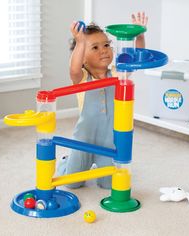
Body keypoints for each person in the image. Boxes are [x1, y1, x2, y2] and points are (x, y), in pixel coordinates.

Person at [57, 12, 148, 189]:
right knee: (73, 183)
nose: (104, 50)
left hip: (109, 140)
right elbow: (73, 68)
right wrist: (80, 42)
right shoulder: (82, 77)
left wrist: (139, 35)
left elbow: (137, 59)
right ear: (83, 56)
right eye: (95, 47)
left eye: (106, 44)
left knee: (109, 184)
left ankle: (100, 164)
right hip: (84, 138)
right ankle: (66, 162)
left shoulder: (116, 73)